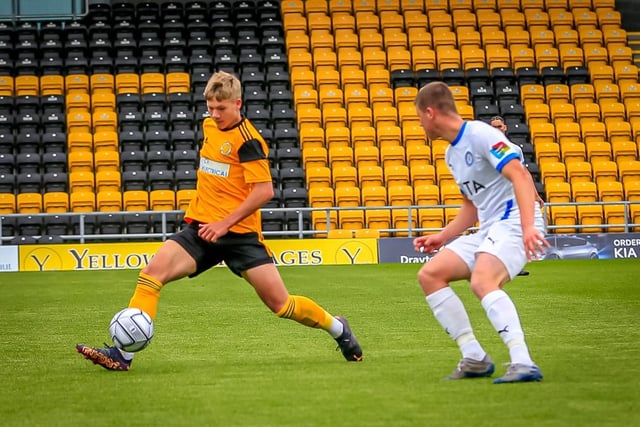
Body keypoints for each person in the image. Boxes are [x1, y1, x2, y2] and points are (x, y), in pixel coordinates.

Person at [77, 71, 363, 371]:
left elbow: (264, 191)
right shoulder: (209, 126)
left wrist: (225, 223)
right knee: (151, 275)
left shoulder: (248, 141)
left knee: (281, 305)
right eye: (210, 107)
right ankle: (123, 355)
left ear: (237, 103)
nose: (214, 114)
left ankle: (338, 328)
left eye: (221, 108)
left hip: (240, 236)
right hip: (202, 228)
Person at [412, 82, 549, 383]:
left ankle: (523, 361)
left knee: (483, 280)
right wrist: (442, 237)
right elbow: (471, 209)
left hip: (515, 221)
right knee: (430, 275)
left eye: (419, 117)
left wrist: (528, 227)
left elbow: (521, 177)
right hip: (490, 227)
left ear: (430, 112)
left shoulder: (481, 135)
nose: (420, 123)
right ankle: (473, 356)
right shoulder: (451, 155)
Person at [489, 115, 546, 277]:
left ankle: (513, 265)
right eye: (493, 127)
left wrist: (535, 194)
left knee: (514, 230)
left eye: (499, 126)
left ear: (505, 127)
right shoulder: (487, 150)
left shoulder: (515, 149)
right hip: (495, 197)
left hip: (514, 196)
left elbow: (524, 174)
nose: (496, 130)